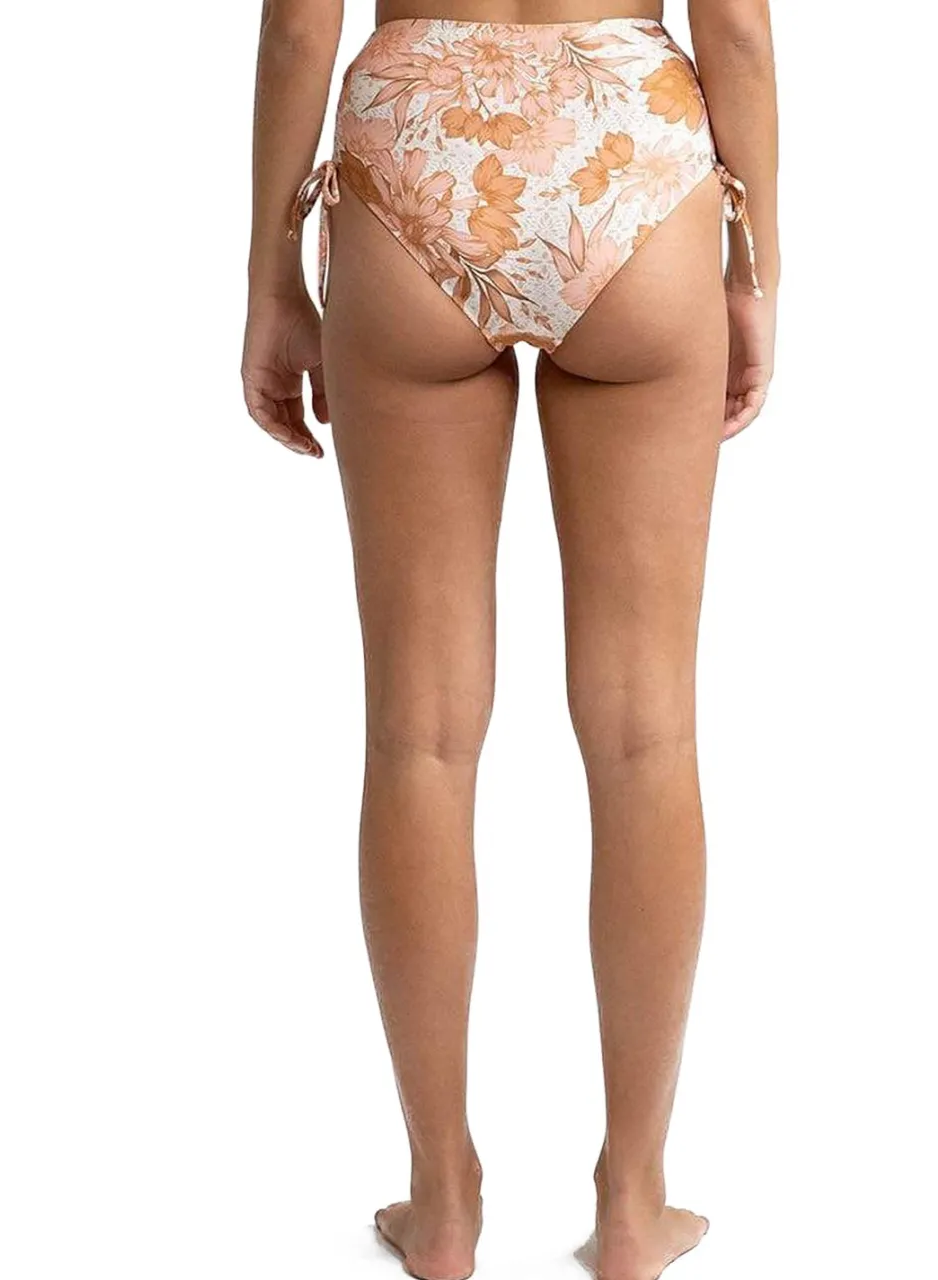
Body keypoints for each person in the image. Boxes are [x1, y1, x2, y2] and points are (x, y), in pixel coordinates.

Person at [242, 0, 777, 1275]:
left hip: (413, 146)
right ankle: (634, 1203)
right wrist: (752, 269)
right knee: (646, 731)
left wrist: (270, 277)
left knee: (419, 733)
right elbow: (739, 32)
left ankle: (440, 1201)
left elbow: (299, 28)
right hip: (630, 151)